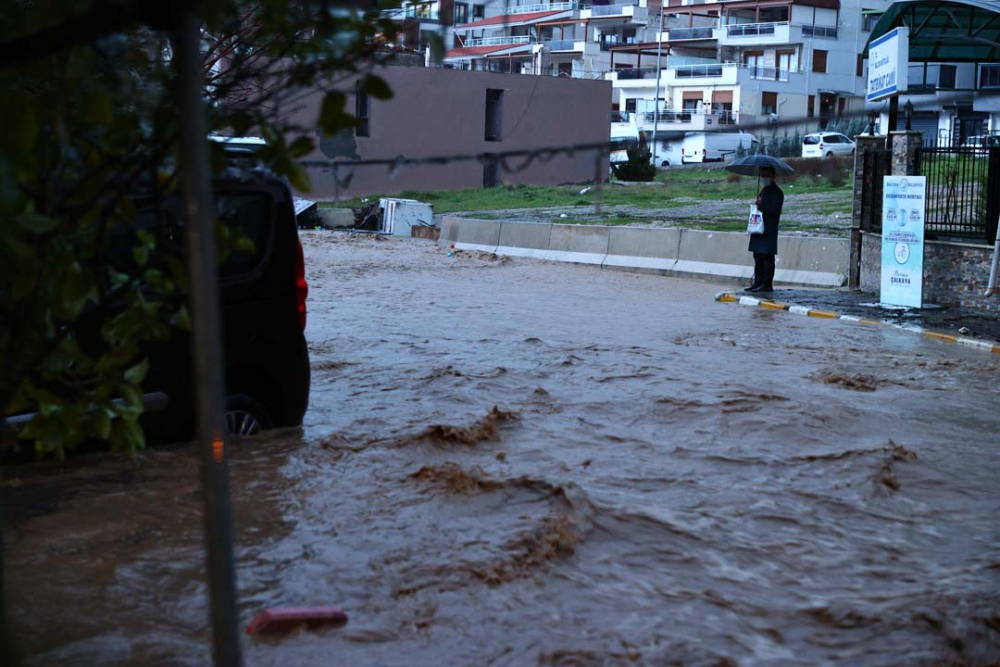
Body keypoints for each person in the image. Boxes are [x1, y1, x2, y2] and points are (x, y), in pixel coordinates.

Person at [746, 166, 784, 293]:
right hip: (759, 228)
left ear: (773, 177)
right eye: (763, 176)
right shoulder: (764, 190)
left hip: (769, 229)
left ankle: (767, 284)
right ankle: (758, 282)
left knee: (767, 257)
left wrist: (761, 205)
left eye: (767, 175)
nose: (765, 178)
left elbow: (775, 211)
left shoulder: (777, 192)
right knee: (758, 256)